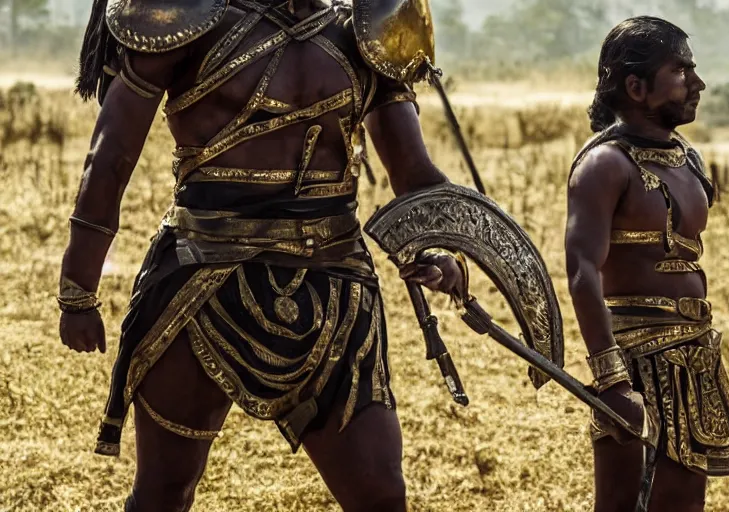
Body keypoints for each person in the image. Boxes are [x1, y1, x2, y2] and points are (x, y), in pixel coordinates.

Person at [58, 0, 467, 510]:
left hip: (334, 291)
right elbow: (111, 154)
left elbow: (414, 174)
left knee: (381, 496)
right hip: (202, 282)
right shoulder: (186, 19)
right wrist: (78, 287)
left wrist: (439, 246)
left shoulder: (367, 34)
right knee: (164, 494)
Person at [564, 16, 729, 512]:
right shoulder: (604, 166)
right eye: (681, 72)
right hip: (634, 361)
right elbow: (582, 271)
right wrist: (613, 379)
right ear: (636, 87)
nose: (697, 84)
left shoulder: (687, 158)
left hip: (694, 355)